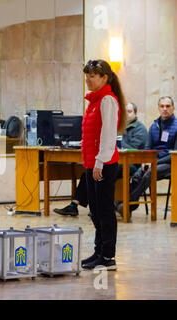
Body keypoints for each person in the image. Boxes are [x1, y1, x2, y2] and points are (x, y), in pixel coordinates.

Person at [54, 101, 147, 217]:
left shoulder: (140, 129)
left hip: (131, 164)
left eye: (129, 111)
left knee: (102, 173)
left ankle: (100, 207)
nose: (126, 114)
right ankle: (74, 205)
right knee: (89, 172)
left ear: (135, 114)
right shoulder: (117, 127)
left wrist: (117, 140)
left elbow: (134, 149)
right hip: (114, 160)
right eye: (124, 112)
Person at [80, 59, 126, 271]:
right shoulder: (94, 101)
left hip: (104, 163)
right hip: (92, 163)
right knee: (95, 209)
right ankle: (99, 251)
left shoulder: (108, 100)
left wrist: (99, 161)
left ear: (104, 78)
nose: (88, 80)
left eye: (92, 76)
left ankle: (108, 256)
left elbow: (108, 135)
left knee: (105, 210)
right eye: (87, 75)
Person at [116, 96, 177, 214]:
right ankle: (122, 203)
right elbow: (148, 149)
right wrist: (145, 161)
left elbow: (174, 154)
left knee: (149, 172)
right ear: (158, 108)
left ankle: (128, 203)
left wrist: (153, 162)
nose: (165, 109)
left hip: (171, 163)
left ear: (173, 108)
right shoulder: (154, 126)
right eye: (162, 106)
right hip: (153, 162)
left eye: (168, 106)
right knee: (138, 173)